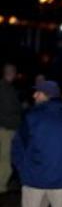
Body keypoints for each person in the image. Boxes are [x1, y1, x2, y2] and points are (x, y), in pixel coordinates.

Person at [0, 63, 21, 193]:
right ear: (10, 72)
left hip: (6, 127)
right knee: (5, 160)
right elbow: (8, 109)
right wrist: (20, 110)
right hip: (6, 128)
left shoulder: (7, 87)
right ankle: (1, 186)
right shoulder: (5, 88)